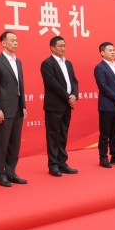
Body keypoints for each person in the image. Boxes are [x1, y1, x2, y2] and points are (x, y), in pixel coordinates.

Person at [0, 31, 28, 187]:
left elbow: (20, 86)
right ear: (3, 43)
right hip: (4, 109)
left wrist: (23, 105)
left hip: (17, 108)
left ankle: (11, 172)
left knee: (15, 142)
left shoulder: (18, 62)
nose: (15, 43)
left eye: (16, 40)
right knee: (2, 142)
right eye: (12, 40)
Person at [40, 36, 79, 176]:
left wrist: (74, 95)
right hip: (54, 106)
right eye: (60, 46)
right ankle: (53, 165)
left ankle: (62, 163)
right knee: (53, 135)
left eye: (64, 45)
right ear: (52, 47)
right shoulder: (47, 63)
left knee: (63, 134)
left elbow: (74, 81)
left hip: (67, 105)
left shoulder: (68, 63)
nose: (63, 48)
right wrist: (68, 97)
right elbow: (52, 83)